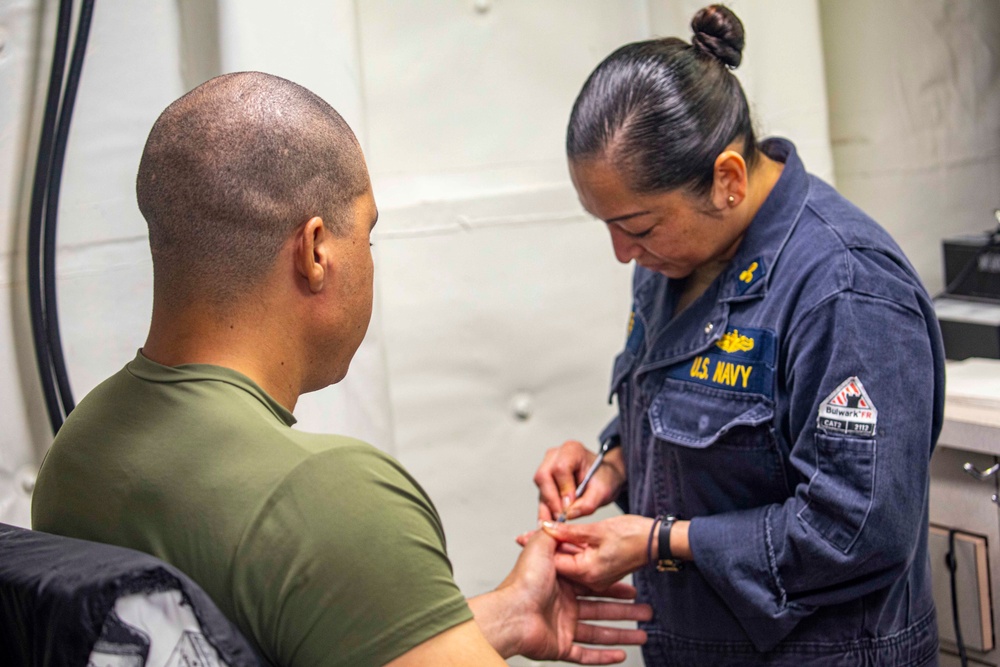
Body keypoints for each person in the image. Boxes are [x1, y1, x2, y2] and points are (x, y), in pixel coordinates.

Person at [31, 71, 652, 667]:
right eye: (369, 236)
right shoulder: (325, 497)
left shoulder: (80, 454)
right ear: (317, 251)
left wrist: (504, 616)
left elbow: (247, 636)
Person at [528, 5, 944, 666]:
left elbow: (857, 528)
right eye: (604, 224)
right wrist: (611, 465)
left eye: (637, 226)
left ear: (727, 179)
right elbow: (703, 425)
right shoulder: (674, 261)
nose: (621, 252)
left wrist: (659, 540)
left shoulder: (846, 289)